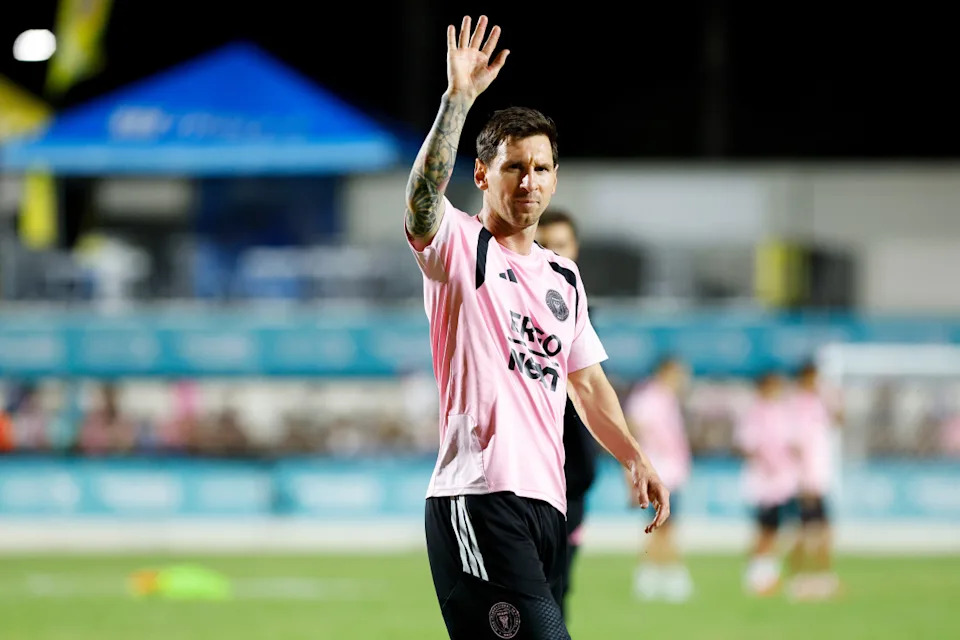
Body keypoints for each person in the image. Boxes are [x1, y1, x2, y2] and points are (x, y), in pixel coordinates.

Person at [404, 15, 670, 639]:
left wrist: (633, 454)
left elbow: (586, 383)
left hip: (545, 504)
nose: (530, 181)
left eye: (543, 168)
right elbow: (421, 197)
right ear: (481, 175)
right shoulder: (459, 247)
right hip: (479, 494)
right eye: (514, 167)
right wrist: (458, 100)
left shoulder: (563, 278)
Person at [535, 209, 599, 619]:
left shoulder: (579, 311)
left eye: (562, 245)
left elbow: (593, 392)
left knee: (559, 593)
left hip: (572, 485)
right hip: (529, 482)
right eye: (546, 245)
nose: (556, 254)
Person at [623, 356, 694, 602]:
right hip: (657, 473)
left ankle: (658, 575)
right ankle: (660, 575)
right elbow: (632, 433)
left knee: (667, 527)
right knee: (660, 527)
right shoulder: (648, 399)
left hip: (671, 473)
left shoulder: (668, 400)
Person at [735, 371, 799, 597]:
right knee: (764, 531)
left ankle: (767, 575)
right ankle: (756, 577)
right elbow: (746, 445)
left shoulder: (782, 412)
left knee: (777, 531)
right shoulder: (754, 413)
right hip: (763, 483)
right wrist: (766, 460)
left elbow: (792, 443)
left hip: (783, 483)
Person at [785, 361, 841, 600]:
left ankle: (821, 576)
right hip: (805, 479)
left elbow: (839, 419)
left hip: (821, 475)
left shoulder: (820, 402)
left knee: (824, 530)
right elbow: (793, 444)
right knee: (806, 531)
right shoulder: (794, 404)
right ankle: (799, 576)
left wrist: (829, 396)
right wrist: (803, 477)